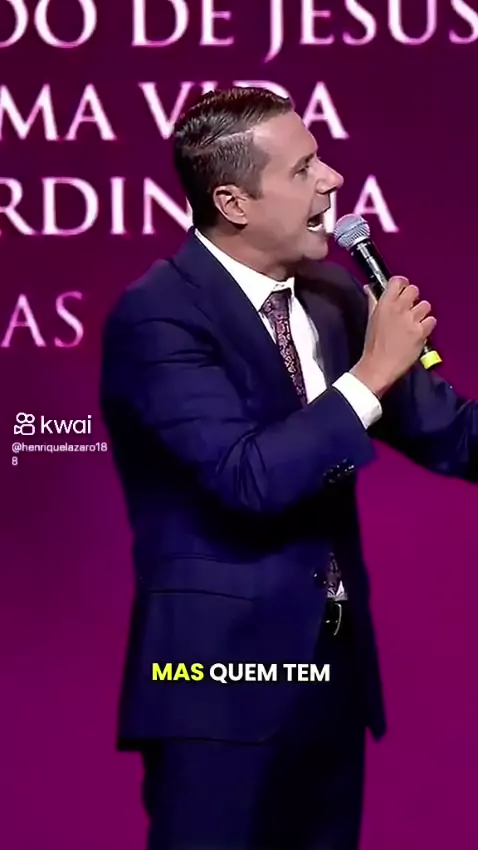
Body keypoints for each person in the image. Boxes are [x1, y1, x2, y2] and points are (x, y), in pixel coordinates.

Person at [99, 87, 478, 850]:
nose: (333, 180)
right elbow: (247, 478)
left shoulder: (334, 295)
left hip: (329, 676)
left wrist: (380, 374)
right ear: (233, 202)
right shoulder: (158, 315)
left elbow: (451, 433)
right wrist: (370, 376)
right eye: (304, 169)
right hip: (214, 684)